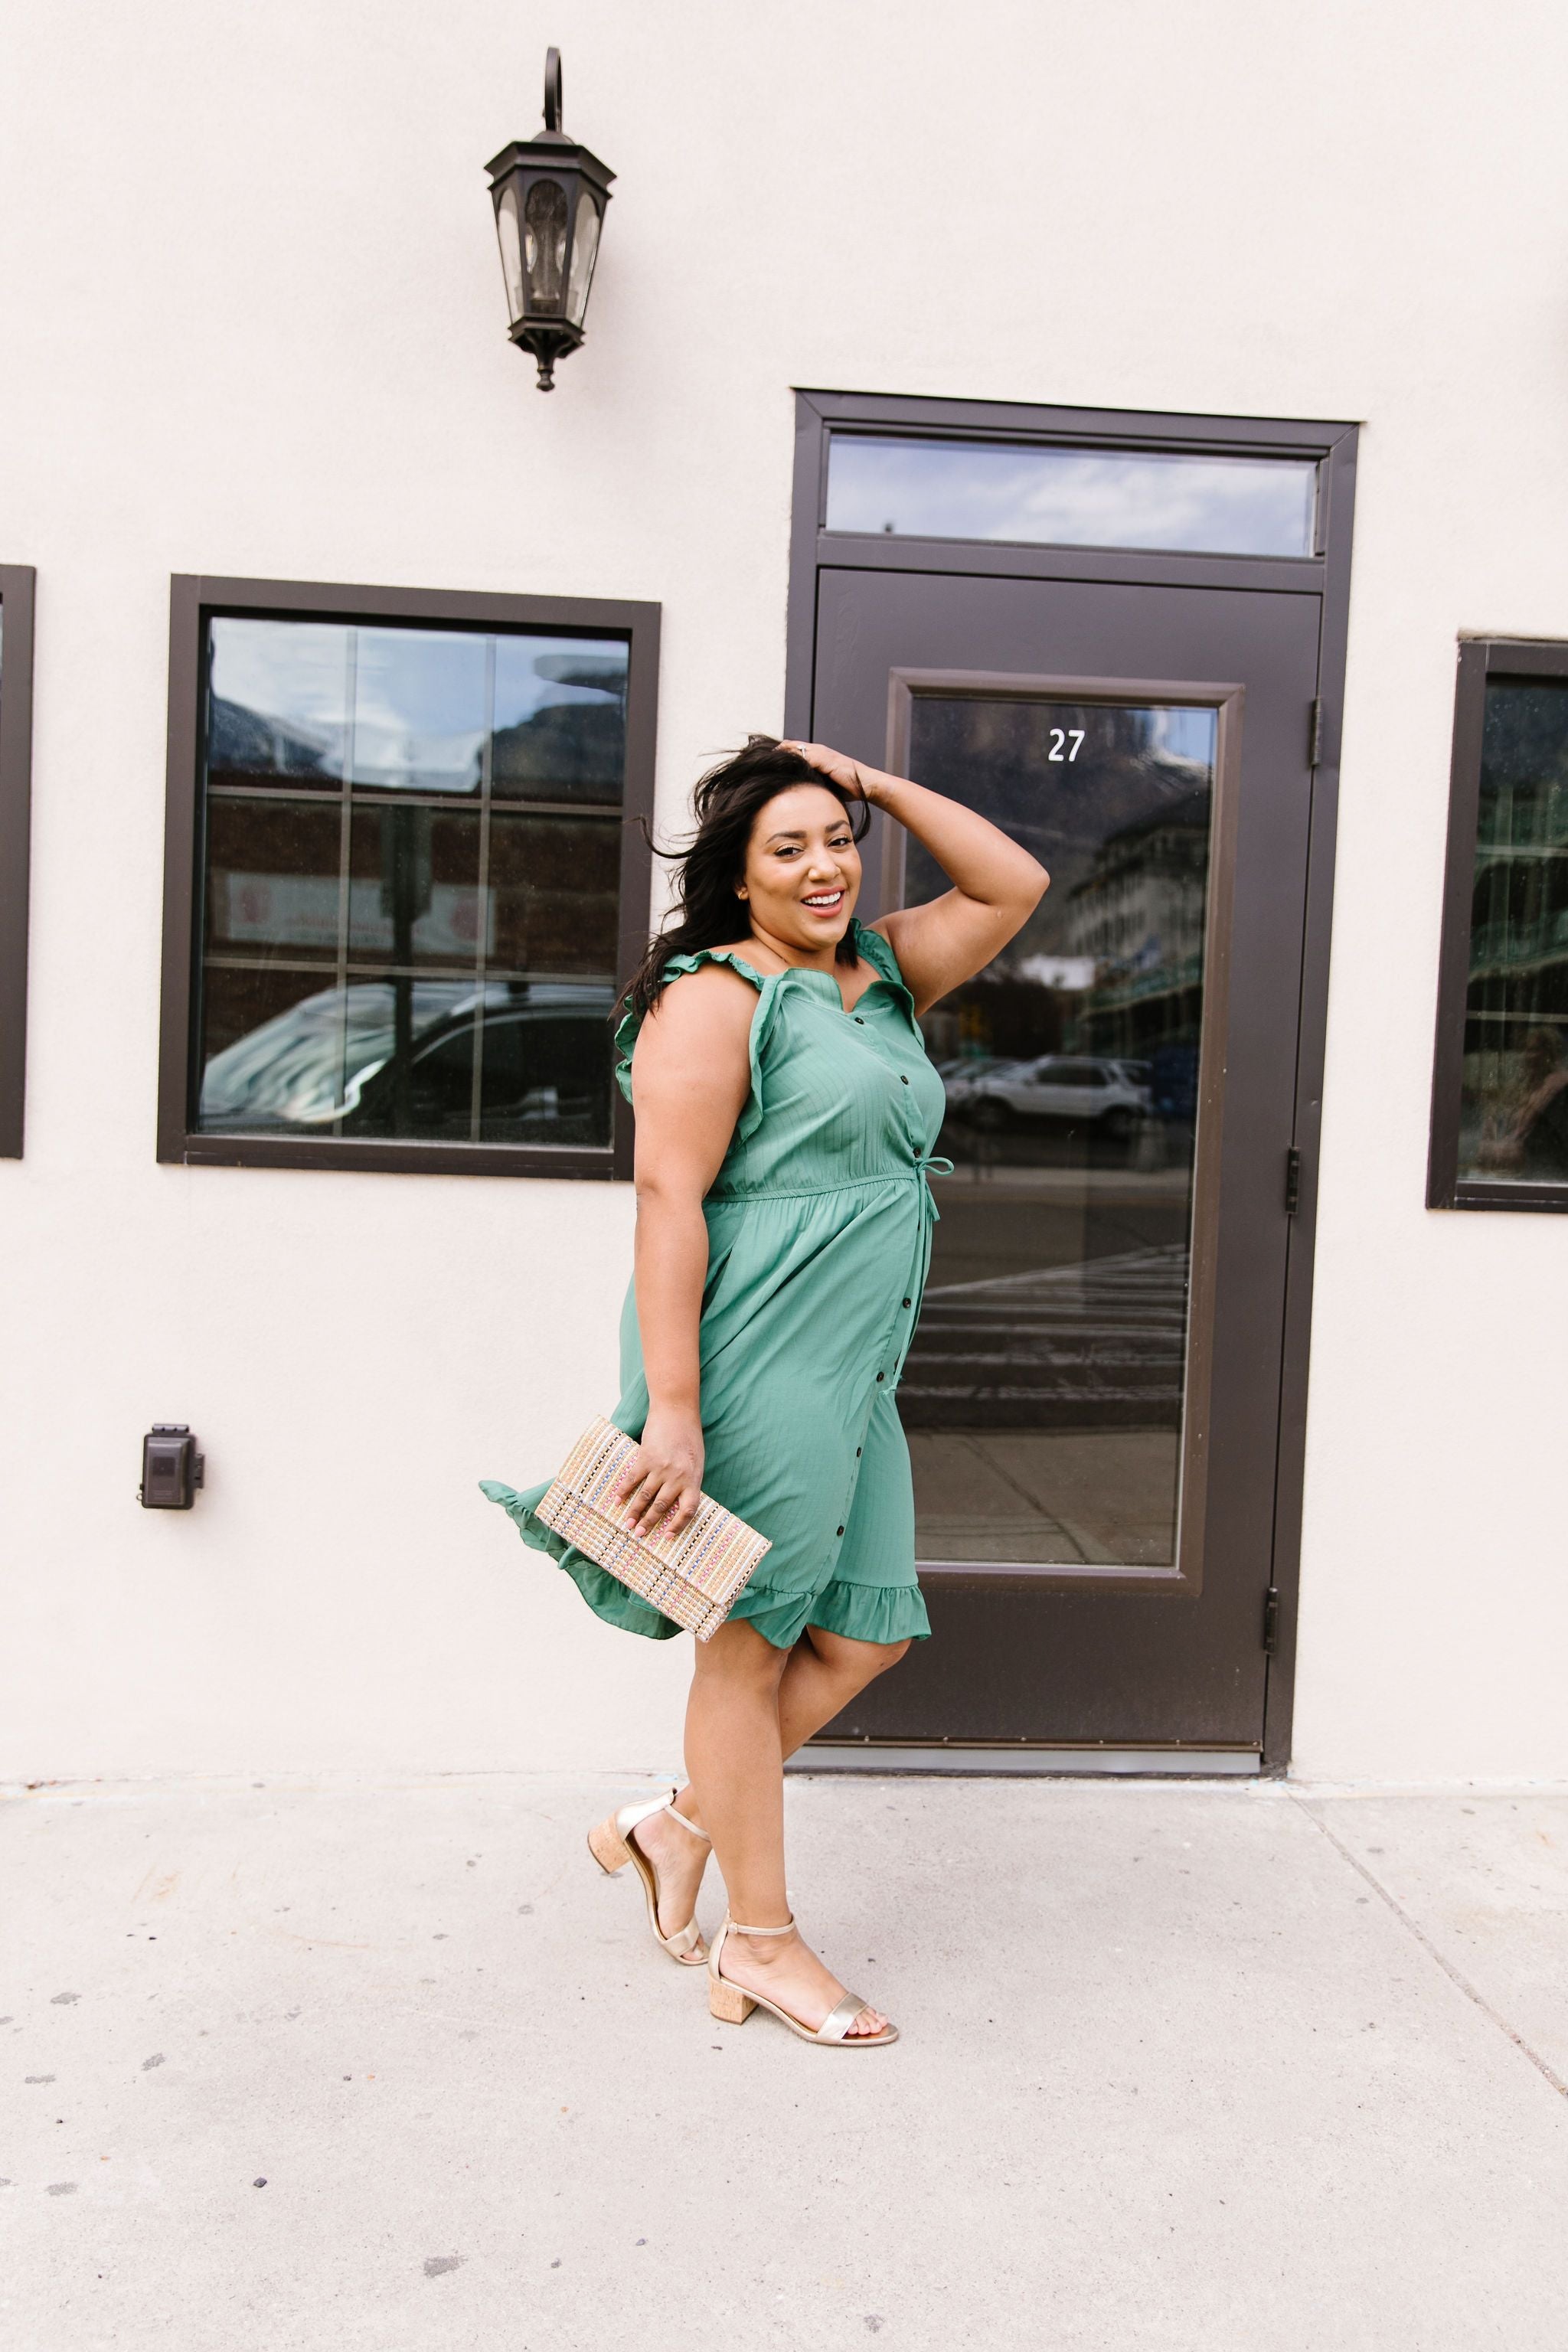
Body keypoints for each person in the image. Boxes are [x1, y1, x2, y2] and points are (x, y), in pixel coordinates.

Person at [482, 735, 1048, 2044]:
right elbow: (668, 1197)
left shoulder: (883, 973)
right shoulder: (718, 996)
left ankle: (677, 1827)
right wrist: (673, 1409)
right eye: (786, 849)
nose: (822, 866)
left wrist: (878, 782)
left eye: (837, 841)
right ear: (740, 881)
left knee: (868, 1631)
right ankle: (762, 1941)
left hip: (853, 1361)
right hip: (754, 1355)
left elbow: (1013, 884)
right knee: (747, 1648)